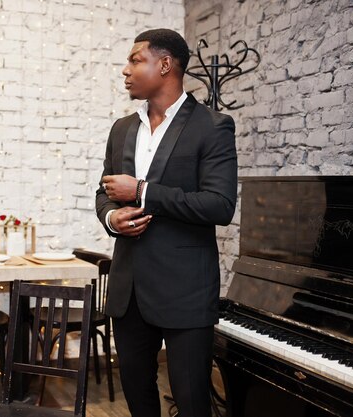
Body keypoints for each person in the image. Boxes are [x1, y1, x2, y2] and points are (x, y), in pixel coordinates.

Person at [95, 28, 238, 417]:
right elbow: (104, 192)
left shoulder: (212, 125)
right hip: (128, 293)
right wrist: (112, 217)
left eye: (135, 59)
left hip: (185, 291)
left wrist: (142, 191)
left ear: (165, 64)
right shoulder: (122, 128)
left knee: (192, 401)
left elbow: (220, 205)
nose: (126, 70)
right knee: (138, 397)